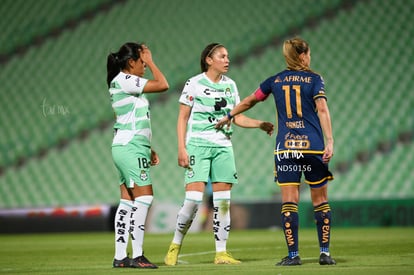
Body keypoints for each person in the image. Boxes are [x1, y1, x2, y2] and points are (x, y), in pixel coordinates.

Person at [215, 37, 336, 266]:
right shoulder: (315, 79)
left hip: (286, 150)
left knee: (289, 203)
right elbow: (322, 109)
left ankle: (293, 256)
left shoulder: (275, 80)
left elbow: (250, 101)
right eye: (308, 53)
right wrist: (329, 141)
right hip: (313, 148)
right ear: (302, 55)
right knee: (320, 200)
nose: (309, 57)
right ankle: (325, 253)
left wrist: (229, 116)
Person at [164, 43, 274, 266]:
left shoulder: (230, 85)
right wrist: (181, 148)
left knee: (223, 202)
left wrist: (259, 124)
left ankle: (221, 253)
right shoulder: (193, 83)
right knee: (193, 201)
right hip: (197, 146)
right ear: (209, 59)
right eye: (222, 56)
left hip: (223, 147)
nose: (227, 60)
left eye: (228, 57)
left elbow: (236, 117)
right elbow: (182, 117)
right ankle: (174, 245)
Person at [106, 42, 169, 268]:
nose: (144, 66)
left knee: (127, 201)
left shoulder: (123, 83)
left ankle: (121, 256)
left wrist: (148, 148)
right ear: (130, 62)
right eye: (141, 62)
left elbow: (129, 118)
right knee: (145, 198)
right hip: (130, 146)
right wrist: (152, 61)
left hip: (129, 145)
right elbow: (163, 84)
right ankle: (138, 255)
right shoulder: (124, 79)